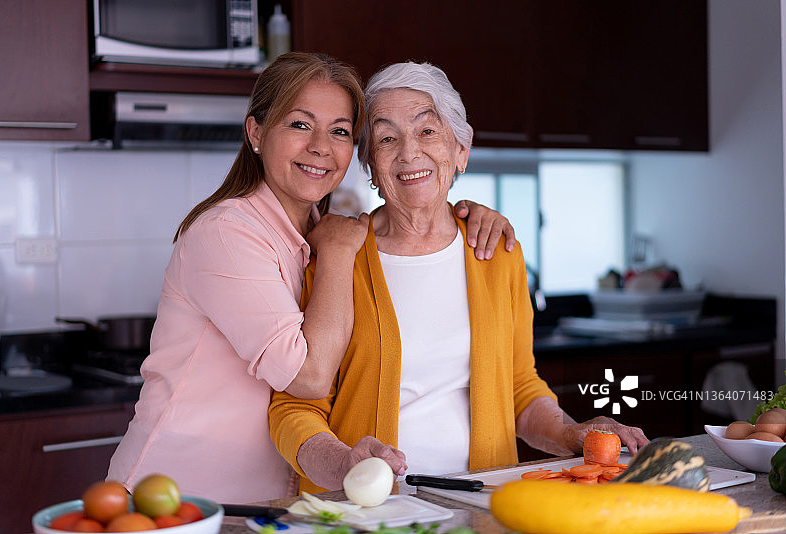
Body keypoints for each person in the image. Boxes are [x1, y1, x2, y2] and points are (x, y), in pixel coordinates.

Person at [106, 52, 516, 504]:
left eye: (339, 131)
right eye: (300, 124)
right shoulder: (228, 233)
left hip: (269, 504)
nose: (322, 146)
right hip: (178, 498)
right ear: (256, 132)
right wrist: (340, 252)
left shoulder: (316, 234)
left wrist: (471, 215)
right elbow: (310, 377)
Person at [268, 61, 649, 494]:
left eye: (427, 131)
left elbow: (520, 387)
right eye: (387, 138)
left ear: (460, 151)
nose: (409, 153)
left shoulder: (497, 252)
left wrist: (569, 434)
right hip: (369, 512)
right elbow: (293, 408)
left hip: (480, 504)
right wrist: (343, 466)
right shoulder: (338, 257)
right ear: (371, 166)